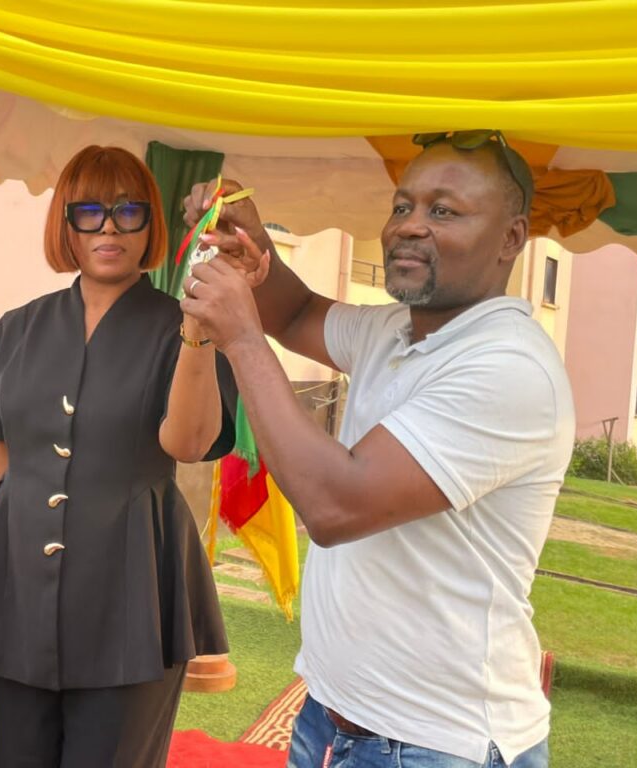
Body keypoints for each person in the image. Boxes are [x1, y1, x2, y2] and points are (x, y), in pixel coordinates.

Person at [180, 132, 574, 768]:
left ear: (511, 238)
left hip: (434, 745)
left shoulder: (508, 366)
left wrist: (244, 341)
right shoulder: (394, 329)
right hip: (334, 714)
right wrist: (253, 244)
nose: (409, 226)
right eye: (402, 206)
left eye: (443, 210)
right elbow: (295, 311)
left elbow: (335, 506)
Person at [0, 145, 247, 766]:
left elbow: (190, 445)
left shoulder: (182, 326)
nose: (109, 228)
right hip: (17, 592)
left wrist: (196, 332)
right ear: (66, 223)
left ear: (151, 225)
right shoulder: (15, 330)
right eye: (89, 212)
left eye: (128, 212)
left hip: (134, 597)